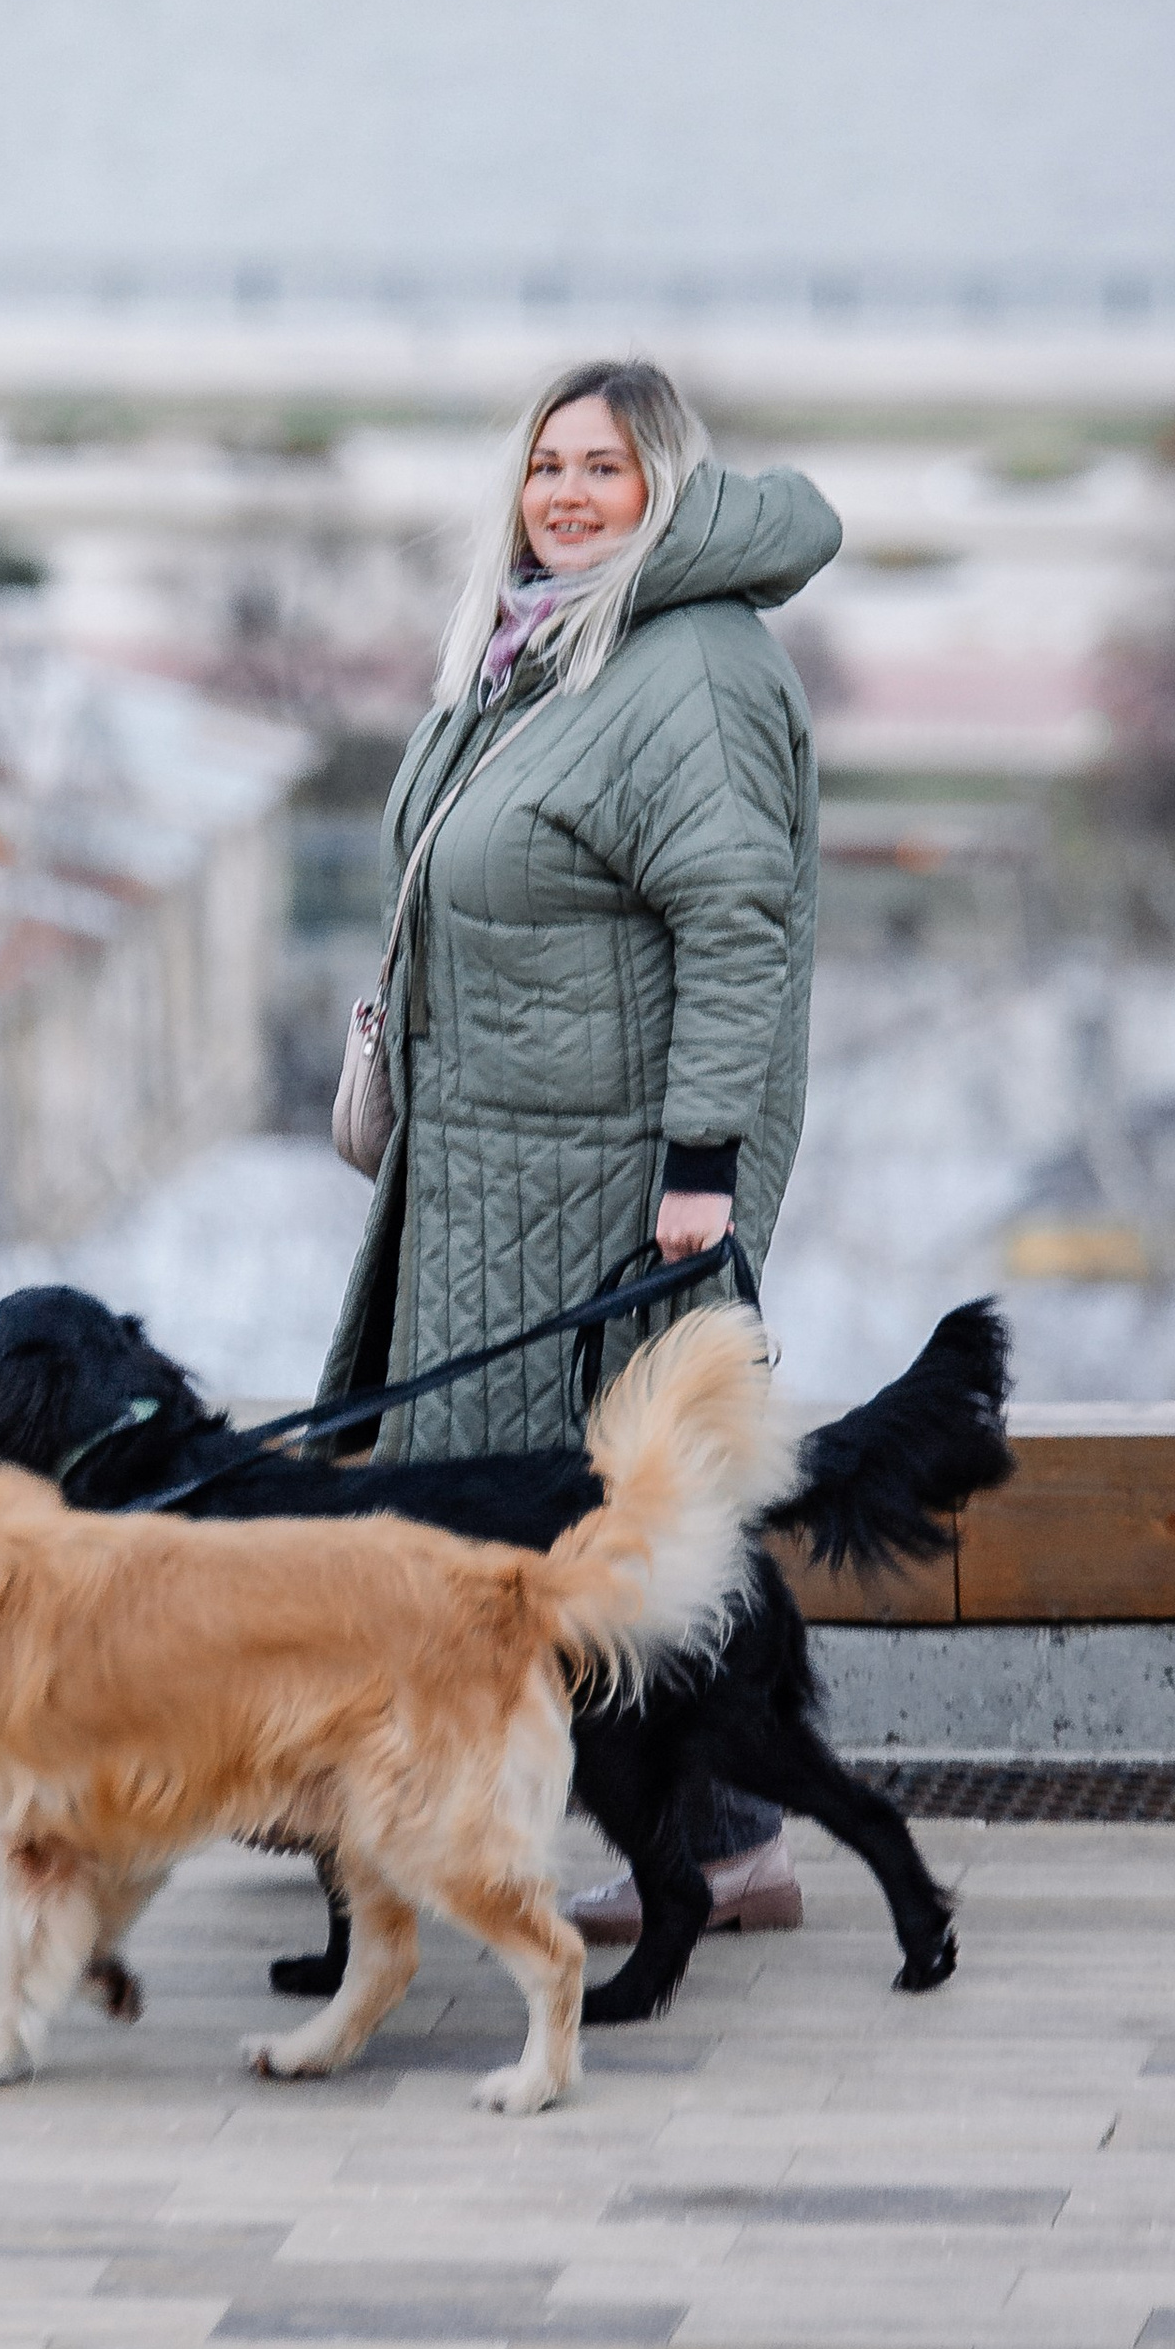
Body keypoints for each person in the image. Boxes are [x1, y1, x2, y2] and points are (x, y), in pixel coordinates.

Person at [318, 356, 840, 1937]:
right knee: (561, 1502)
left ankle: (724, 1837)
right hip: (488, 1162)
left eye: (602, 467)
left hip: (610, 1178)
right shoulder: (545, 649)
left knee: (620, 1510)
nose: (564, 492)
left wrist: (698, 1170)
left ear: (663, 485)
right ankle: (471, 1807)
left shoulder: (685, 670)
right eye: (547, 463)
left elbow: (736, 928)